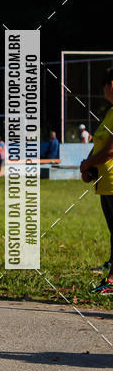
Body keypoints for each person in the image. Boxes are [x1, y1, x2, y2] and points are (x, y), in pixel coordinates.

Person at [80, 69, 113, 293]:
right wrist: (89, 164)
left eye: (104, 87)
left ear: (110, 84)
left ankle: (111, 282)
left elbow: (111, 150)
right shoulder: (110, 112)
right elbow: (100, 143)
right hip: (106, 182)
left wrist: (87, 163)